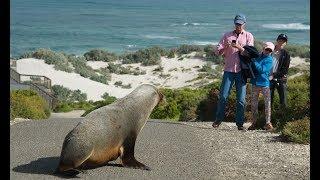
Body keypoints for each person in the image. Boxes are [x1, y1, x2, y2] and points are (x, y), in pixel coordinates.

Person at [212, 14, 254, 130]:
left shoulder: (249, 36)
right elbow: (217, 52)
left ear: (244, 24)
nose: (238, 26)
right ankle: (218, 120)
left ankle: (240, 124)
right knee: (223, 97)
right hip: (229, 70)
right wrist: (225, 46)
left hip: (242, 71)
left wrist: (239, 47)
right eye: (237, 23)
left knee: (241, 100)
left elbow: (250, 53)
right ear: (234, 23)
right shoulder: (227, 35)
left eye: (240, 24)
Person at [248, 42, 274, 131]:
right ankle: (254, 123)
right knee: (254, 105)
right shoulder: (257, 55)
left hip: (265, 84)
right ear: (263, 48)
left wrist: (254, 61)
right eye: (267, 49)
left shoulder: (270, 59)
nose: (268, 51)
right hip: (255, 83)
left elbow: (262, 70)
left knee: (268, 104)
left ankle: (268, 123)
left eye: (270, 50)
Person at [269, 34, 291, 108]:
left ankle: (282, 118)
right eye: (280, 40)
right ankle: (267, 118)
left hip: (280, 79)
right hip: (268, 79)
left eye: (284, 41)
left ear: (286, 43)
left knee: (283, 101)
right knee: (268, 101)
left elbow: (285, 70)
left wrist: (273, 75)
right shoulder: (270, 50)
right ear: (277, 41)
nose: (282, 42)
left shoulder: (286, 54)